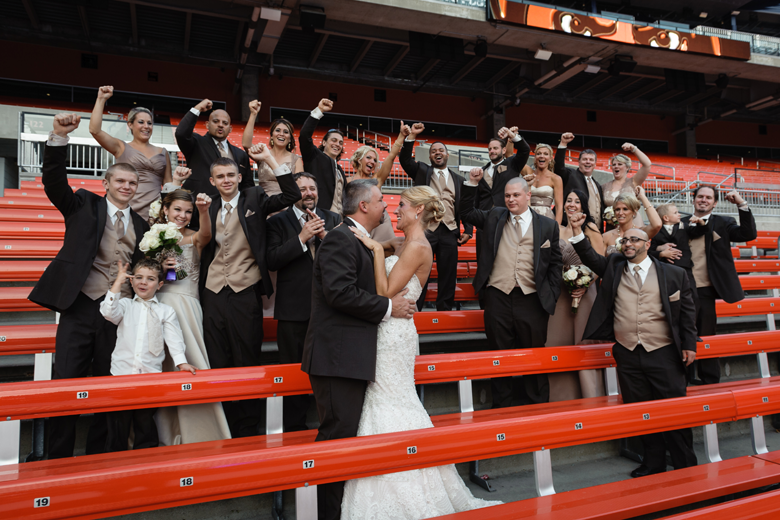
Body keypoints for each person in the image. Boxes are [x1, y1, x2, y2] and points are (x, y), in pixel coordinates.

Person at [342, 186, 502, 518]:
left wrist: (373, 249)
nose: (394, 210)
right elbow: (389, 264)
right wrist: (381, 246)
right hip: (388, 328)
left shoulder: (417, 246)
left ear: (418, 211)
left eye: (400, 205)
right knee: (389, 400)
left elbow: (385, 289)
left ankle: (407, 480)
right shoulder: (406, 244)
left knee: (391, 399)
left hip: (393, 334)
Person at [28, 113, 150, 459]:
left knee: (108, 385)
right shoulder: (83, 204)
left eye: (132, 183)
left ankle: (102, 456)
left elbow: (149, 269)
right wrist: (58, 137)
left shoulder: (142, 224)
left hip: (118, 313)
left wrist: (168, 272)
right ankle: (56, 457)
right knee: (66, 382)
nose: (126, 187)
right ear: (106, 184)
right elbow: (53, 183)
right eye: (121, 181)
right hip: (79, 306)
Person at [301, 179, 417, 520]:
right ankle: (325, 515)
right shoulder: (340, 237)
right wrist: (387, 307)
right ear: (364, 206)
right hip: (336, 358)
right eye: (381, 200)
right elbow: (339, 293)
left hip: (348, 357)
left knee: (344, 437)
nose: (386, 206)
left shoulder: (356, 239)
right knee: (336, 438)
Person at [569, 215, 698, 478]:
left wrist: (690, 345)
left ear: (648, 244)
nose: (628, 244)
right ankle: (653, 462)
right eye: (625, 240)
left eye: (634, 240)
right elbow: (592, 259)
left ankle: (685, 462)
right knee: (642, 411)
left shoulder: (674, 274)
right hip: (627, 352)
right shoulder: (615, 267)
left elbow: (687, 313)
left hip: (664, 351)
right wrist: (576, 230)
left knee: (673, 409)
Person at [200, 144, 301, 438]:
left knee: (246, 359)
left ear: (239, 176)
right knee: (218, 361)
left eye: (231, 175)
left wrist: (269, 159)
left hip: (245, 291)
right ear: (212, 181)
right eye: (220, 177)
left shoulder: (254, 197)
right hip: (213, 291)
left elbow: (292, 196)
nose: (227, 180)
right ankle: (224, 426)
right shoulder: (207, 206)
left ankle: (246, 428)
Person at [461, 174, 562, 407]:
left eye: (516, 195)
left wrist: (551, 294)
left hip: (532, 298)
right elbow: (465, 212)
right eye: (507, 195)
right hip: (498, 295)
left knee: (535, 354)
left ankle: (537, 406)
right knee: (498, 355)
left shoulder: (548, 225)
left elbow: (555, 264)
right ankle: (501, 407)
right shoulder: (495, 216)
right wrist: (471, 185)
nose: (510, 199)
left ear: (528, 195)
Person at [146, 184, 232, 445]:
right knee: (161, 367)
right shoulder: (153, 236)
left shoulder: (195, 236)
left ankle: (200, 432)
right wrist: (159, 266)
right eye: (177, 210)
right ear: (165, 210)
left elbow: (206, 234)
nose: (182, 215)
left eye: (187, 211)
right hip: (157, 304)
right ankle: (163, 433)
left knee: (189, 362)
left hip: (185, 305)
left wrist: (203, 211)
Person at [266, 172, 341, 433]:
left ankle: (330, 426)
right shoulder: (278, 222)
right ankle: (293, 429)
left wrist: (325, 238)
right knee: (292, 372)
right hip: (292, 311)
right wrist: (301, 237)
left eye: (312, 188)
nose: (308, 193)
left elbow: (345, 259)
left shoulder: (333, 219)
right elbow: (272, 260)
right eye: (302, 189)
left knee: (329, 372)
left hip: (329, 310)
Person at [99, 259, 198, 452]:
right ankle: (113, 464)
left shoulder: (165, 311)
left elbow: (174, 339)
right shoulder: (126, 305)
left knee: (145, 423)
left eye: (150, 279)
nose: (143, 282)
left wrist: (181, 362)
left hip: (149, 377)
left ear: (160, 284)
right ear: (132, 281)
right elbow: (108, 312)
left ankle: (146, 462)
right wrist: (117, 283)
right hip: (121, 375)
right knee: (118, 426)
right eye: (139, 277)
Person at [682, 186, 757, 385]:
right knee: (682, 335)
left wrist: (742, 204)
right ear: (694, 199)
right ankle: (684, 380)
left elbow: (748, 234)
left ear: (715, 203)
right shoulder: (679, 223)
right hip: (682, 290)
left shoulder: (724, 222)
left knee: (706, 335)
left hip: (705, 289)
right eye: (700, 196)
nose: (703, 200)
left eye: (708, 198)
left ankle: (710, 381)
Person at [400, 122, 474, 311]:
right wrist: (411, 137)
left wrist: (468, 229)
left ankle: (445, 311)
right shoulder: (423, 171)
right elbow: (405, 160)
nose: (437, 153)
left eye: (441, 150)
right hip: (426, 230)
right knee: (418, 271)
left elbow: (465, 206)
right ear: (430, 155)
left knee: (448, 274)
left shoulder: (459, 179)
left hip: (449, 231)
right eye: (434, 151)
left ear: (447, 154)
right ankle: (415, 308)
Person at [545, 189, 606, 401]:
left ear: (583, 206)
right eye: (568, 200)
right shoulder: (557, 229)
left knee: (583, 342)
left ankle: (590, 395)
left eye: (577, 201)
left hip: (586, 293)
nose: (572, 204)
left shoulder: (590, 228)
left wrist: (587, 283)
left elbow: (600, 261)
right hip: (562, 295)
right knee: (558, 341)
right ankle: (561, 397)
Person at [89, 86, 172, 221]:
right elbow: (95, 130)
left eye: (149, 123)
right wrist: (101, 99)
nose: (146, 126)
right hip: (127, 209)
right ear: (130, 125)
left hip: (155, 214)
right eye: (141, 122)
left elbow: (169, 185)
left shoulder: (163, 152)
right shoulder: (121, 147)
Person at [175, 98, 254, 197]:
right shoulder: (196, 143)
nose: (220, 125)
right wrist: (198, 108)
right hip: (199, 205)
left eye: (225, 123)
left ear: (230, 129)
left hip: (231, 208)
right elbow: (181, 133)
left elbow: (247, 185)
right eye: (216, 121)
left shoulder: (241, 154)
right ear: (207, 125)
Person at [348, 126, 407, 242]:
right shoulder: (347, 182)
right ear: (359, 159)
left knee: (384, 253)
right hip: (357, 223)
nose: (372, 162)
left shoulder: (377, 180)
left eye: (375, 160)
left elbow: (391, 157)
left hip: (380, 224)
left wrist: (401, 136)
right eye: (368, 157)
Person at [242, 100, 304, 196]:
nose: (281, 134)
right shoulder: (263, 153)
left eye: (286, 132)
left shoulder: (296, 160)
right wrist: (253, 114)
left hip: (287, 206)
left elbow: (300, 187)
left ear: (290, 139)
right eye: (278, 130)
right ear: (271, 136)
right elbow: (246, 144)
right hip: (263, 205)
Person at [299, 98, 347, 213]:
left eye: (340, 142)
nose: (337, 145)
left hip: (339, 218)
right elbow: (304, 136)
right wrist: (319, 110)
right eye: (334, 140)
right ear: (324, 142)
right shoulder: (314, 156)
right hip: (320, 215)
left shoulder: (340, 170)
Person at [554, 132, 605, 229]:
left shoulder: (597, 185)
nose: (588, 162)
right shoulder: (570, 174)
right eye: (585, 159)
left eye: (591, 160)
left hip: (594, 230)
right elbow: (558, 167)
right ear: (579, 162)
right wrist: (563, 144)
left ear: (595, 164)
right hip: (572, 226)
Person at [650, 203, 698, 306]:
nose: (679, 214)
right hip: (665, 269)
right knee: (668, 295)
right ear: (666, 218)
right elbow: (650, 250)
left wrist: (701, 224)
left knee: (691, 295)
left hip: (684, 267)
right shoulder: (655, 231)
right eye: (676, 213)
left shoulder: (684, 226)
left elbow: (699, 231)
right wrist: (661, 253)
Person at [472, 127, 530, 211]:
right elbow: (477, 198)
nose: (492, 151)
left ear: (504, 151)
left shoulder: (513, 164)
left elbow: (525, 150)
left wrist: (512, 136)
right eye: (490, 149)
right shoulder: (481, 171)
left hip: (507, 215)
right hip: (484, 218)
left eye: (495, 148)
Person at [602, 144, 652, 228]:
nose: (616, 166)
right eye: (614, 165)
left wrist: (633, 149)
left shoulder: (633, 182)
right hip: (612, 227)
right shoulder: (604, 186)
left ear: (627, 167)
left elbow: (647, 164)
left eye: (620, 164)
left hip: (633, 223)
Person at [602, 186, 662, 254]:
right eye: (617, 209)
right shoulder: (606, 236)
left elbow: (657, 225)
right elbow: (601, 262)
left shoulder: (641, 232)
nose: (620, 213)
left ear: (634, 211)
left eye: (625, 209)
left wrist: (642, 197)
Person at [523, 142, 564, 225]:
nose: (542, 156)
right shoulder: (528, 172)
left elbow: (559, 207)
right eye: (538, 154)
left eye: (545, 154)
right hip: (527, 216)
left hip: (546, 219)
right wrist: (511, 138)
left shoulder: (556, 178)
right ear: (535, 158)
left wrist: (557, 228)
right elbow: (509, 156)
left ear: (550, 158)